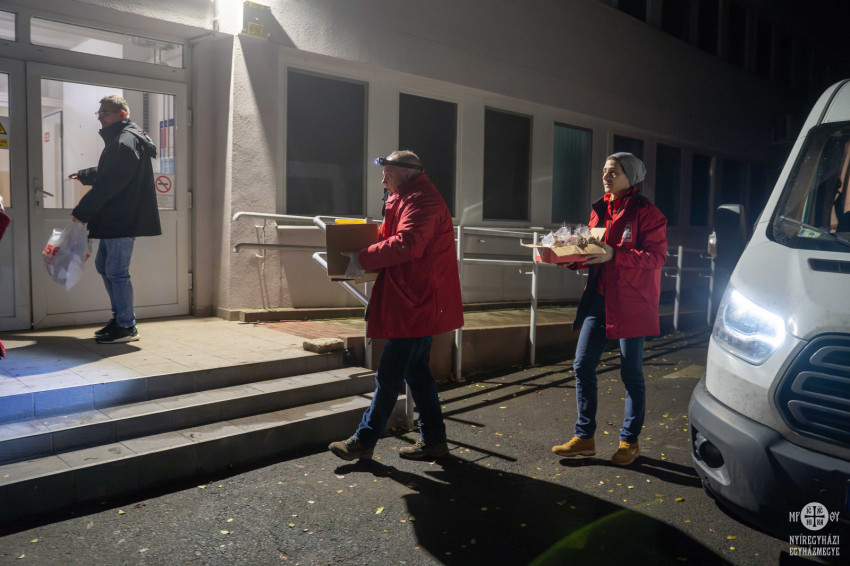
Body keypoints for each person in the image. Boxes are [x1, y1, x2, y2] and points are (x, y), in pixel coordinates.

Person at [329, 150, 463, 461]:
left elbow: (407, 243)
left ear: (406, 172)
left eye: (387, 174)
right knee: (417, 375)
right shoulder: (408, 198)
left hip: (418, 303)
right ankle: (435, 441)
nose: (383, 181)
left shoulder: (422, 200)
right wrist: (359, 246)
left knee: (389, 374)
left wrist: (362, 257)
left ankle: (364, 440)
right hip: (415, 301)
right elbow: (394, 238)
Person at [551, 152, 667, 466]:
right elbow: (593, 252)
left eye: (613, 171)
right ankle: (584, 438)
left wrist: (615, 254)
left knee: (631, 374)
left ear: (631, 176)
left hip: (632, 303)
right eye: (604, 170)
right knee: (582, 366)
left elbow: (656, 257)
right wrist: (570, 259)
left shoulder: (647, 212)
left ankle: (629, 441)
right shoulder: (600, 209)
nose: (606, 176)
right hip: (599, 300)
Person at [69, 95, 161, 344]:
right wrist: (86, 174)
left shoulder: (124, 141)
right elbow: (114, 172)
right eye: (99, 113)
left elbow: (111, 183)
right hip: (116, 217)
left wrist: (82, 211)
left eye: (106, 113)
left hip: (121, 217)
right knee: (104, 267)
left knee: (116, 272)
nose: (100, 117)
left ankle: (126, 326)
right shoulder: (123, 139)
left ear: (121, 115)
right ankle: (121, 318)